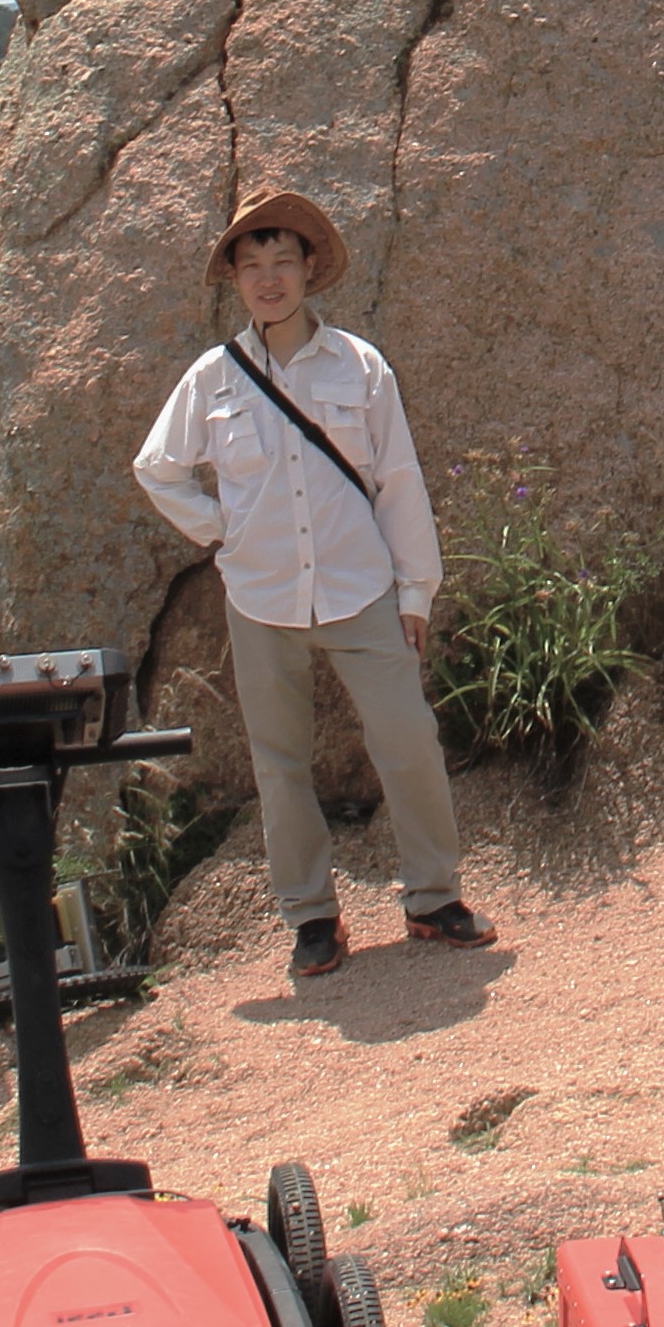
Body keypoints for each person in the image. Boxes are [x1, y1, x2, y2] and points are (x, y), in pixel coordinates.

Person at [131, 190, 499, 981]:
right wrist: (221, 530)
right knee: (278, 761)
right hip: (260, 596)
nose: (269, 279)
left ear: (308, 271)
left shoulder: (359, 365)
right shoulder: (213, 378)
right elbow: (156, 468)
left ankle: (433, 897)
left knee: (406, 738)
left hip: (359, 583)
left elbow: (398, 479)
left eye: (282, 262)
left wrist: (415, 592)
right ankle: (312, 917)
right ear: (235, 277)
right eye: (252, 264)